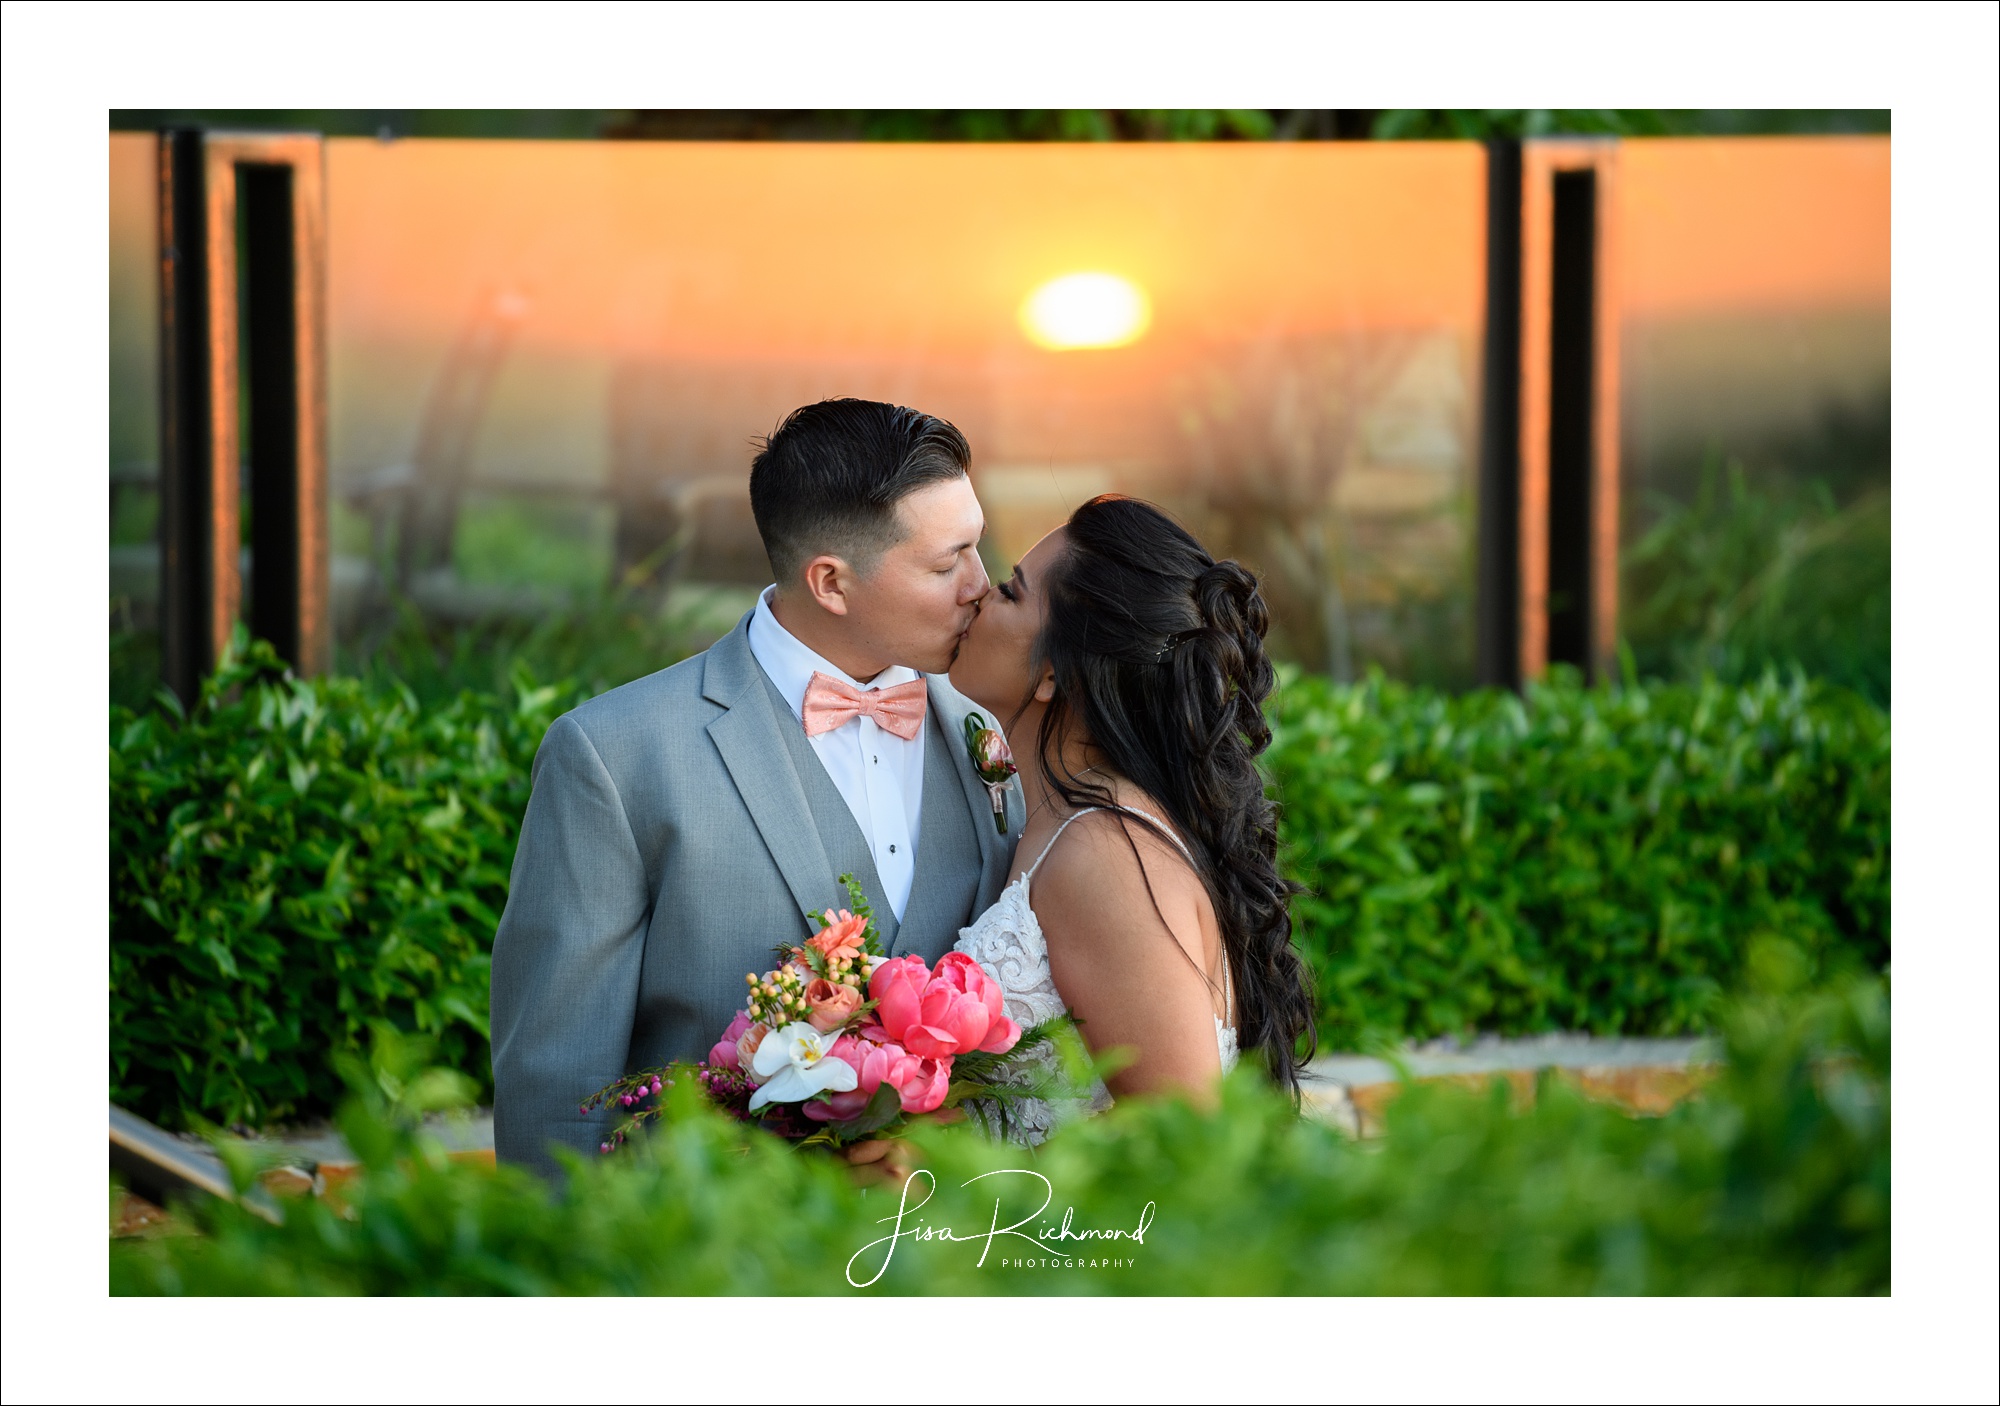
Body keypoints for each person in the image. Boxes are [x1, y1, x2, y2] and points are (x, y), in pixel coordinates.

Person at [490, 399, 1023, 1176]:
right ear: (832, 583)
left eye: (979, 547)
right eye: (949, 563)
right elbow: (557, 1081)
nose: (982, 585)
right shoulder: (613, 755)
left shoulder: (1000, 726)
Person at [946, 494, 1316, 1143]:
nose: (976, 592)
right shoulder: (1069, 821)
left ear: (1055, 671)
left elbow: (1187, 1147)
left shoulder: (1105, 854)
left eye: (1009, 591)